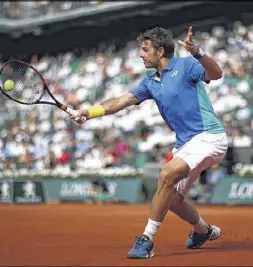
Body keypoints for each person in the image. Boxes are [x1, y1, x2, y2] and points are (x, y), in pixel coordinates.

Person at [69, 26, 228, 259]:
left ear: (160, 50)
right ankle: (203, 230)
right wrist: (88, 112)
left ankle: (147, 239)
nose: (141, 54)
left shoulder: (186, 65)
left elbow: (216, 74)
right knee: (172, 199)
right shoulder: (150, 81)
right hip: (187, 144)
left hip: (209, 137)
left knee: (166, 175)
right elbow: (121, 101)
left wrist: (199, 53)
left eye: (145, 50)